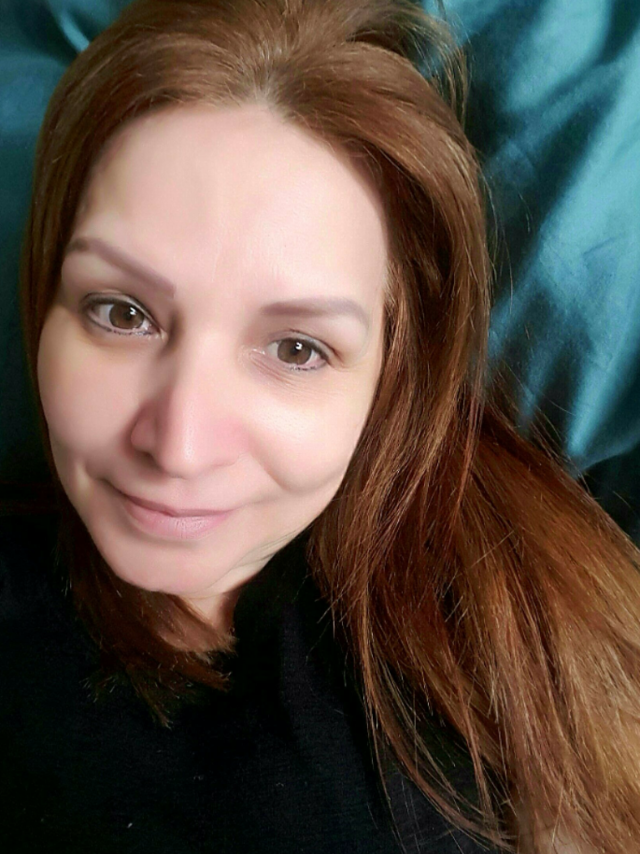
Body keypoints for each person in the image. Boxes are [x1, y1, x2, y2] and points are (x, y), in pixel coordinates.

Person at [3, 0, 640, 851]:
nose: (178, 445)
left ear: (393, 368)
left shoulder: (542, 599)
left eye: (296, 349)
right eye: (122, 312)